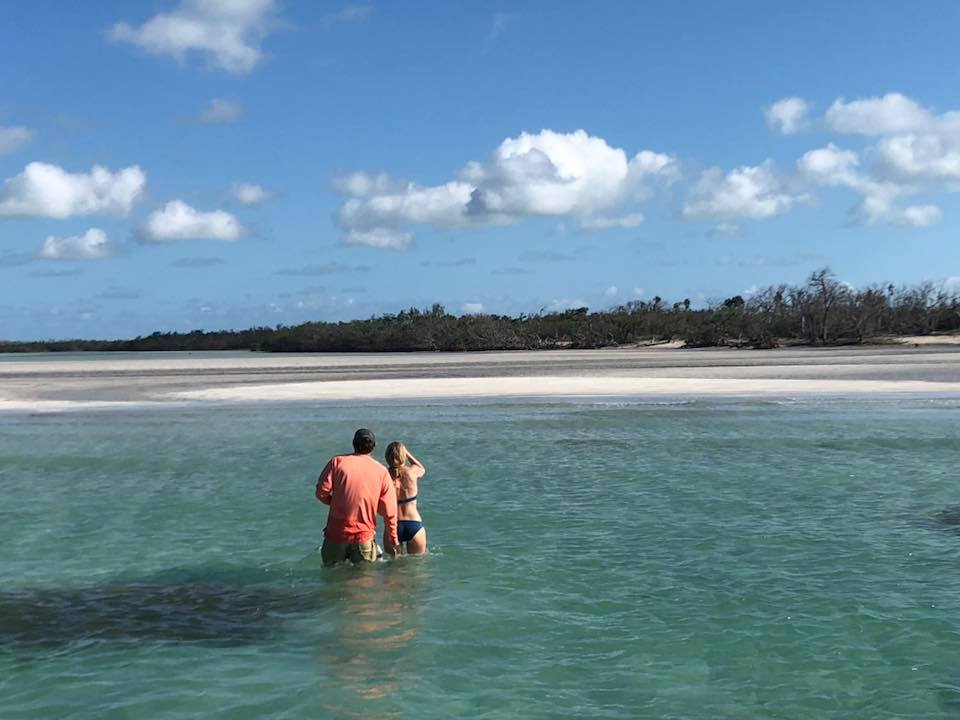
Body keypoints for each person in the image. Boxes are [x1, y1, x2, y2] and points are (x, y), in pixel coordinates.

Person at [316, 428, 399, 565]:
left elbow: (321, 493)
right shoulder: (381, 471)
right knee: (363, 582)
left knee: (332, 580)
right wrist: (394, 540)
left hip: (336, 535)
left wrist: (336, 502)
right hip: (364, 537)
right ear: (373, 447)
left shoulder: (337, 462)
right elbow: (390, 512)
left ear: (353, 443)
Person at [384, 441, 427, 555]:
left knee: (393, 569)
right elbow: (421, 468)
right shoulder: (412, 472)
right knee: (416, 568)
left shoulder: (383, 475)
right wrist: (406, 453)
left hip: (392, 525)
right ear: (403, 456)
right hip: (414, 524)